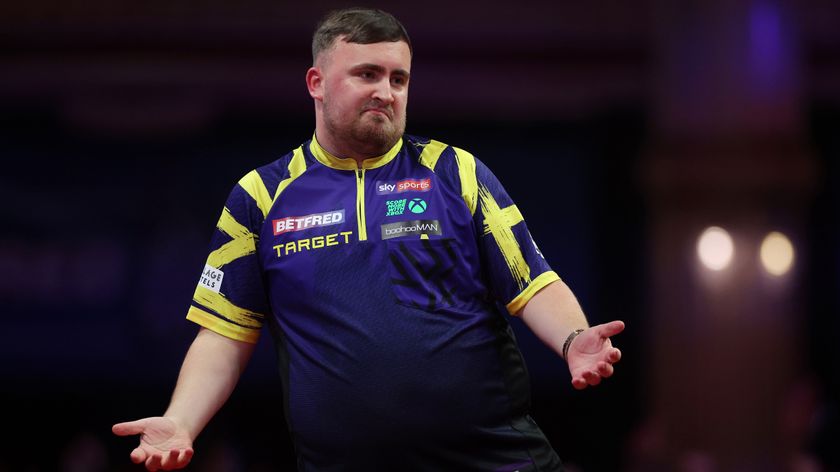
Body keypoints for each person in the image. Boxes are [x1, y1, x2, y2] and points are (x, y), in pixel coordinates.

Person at [112, 7, 625, 471]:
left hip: (493, 461)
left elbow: (533, 284)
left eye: (399, 78)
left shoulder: (455, 172)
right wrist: (181, 422)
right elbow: (224, 334)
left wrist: (572, 339)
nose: (387, 91)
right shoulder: (261, 196)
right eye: (367, 74)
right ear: (316, 82)